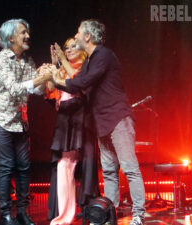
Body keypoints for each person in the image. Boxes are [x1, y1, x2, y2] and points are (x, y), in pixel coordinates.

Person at [51, 19, 146, 225]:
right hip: (102, 123)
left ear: (87, 36)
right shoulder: (89, 60)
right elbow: (77, 84)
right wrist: (58, 70)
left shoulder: (104, 55)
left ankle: (139, 214)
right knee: (110, 171)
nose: (75, 37)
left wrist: (57, 80)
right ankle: (108, 213)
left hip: (118, 119)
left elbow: (83, 82)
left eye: (78, 33)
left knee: (129, 168)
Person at [0, 19, 52, 225]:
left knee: (24, 167)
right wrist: (42, 79)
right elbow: (14, 88)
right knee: (7, 166)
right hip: (0, 119)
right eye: (23, 32)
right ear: (11, 37)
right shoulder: (0, 60)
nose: (28, 36)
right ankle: (5, 215)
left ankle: (22, 213)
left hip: (19, 121)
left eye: (28, 32)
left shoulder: (27, 60)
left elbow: (37, 90)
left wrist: (47, 75)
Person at [45, 38, 99, 225]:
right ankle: (64, 215)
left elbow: (78, 84)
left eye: (72, 46)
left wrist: (62, 60)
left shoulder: (86, 67)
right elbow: (50, 90)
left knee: (81, 165)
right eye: (66, 48)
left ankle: (88, 212)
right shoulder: (62, 68)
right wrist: (54, 64)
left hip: (80, 117)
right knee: (64, 164)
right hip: (64, 117)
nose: (68, 50)